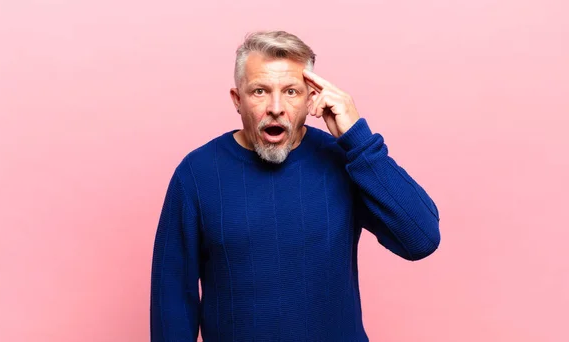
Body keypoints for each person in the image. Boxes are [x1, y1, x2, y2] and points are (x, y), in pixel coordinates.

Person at [150, 30, 441, 342]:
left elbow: (421, 239)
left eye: (291, 91)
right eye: (259, 91)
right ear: (237, 100)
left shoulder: (345, 160)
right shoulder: (197, 174)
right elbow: (172, 300)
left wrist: (358, 139)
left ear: (311, 98)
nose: (276, 107)